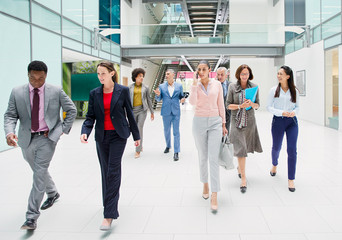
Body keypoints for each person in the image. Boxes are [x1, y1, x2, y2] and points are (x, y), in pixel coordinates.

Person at [4, 60, 77, 230]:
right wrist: (9, 132)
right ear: (28, 75)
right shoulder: (17, 92)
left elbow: (71, 110)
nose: (37, 82)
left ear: (46, 76)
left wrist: (60, 131)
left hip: (47, 138)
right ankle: (52, 193)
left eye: (41, 79)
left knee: (39, 174)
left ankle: (31, 217)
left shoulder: (56, 90)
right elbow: (10, 115)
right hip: (26, 139)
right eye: (33, 78)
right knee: (38, 170)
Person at [80, 62, 140, 230]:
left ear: (112, 73)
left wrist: (136, 136)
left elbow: (129, 113)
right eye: (98, 74)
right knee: (105, 171)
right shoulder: (94, 93)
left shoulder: (122, 91)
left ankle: (109, 214)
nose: (100, 77)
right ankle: (108, 204)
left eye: (103, 73)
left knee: (113, 170)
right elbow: (90, 116)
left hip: (118, 136)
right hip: (101, 137)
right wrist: (85, 131)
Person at [189, 60, 228, 212]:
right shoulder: (196, 85)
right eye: (199, 69)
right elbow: (192, 102)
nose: (201, 72)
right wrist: (193, 84)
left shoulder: (217, 85)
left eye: (204, 69)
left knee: (213, 158)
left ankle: (214, 193)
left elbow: (221, 105)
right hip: (198, 122)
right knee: (202, 156)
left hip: (215, 123)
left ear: (209, 70)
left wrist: (224, 124)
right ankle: (205, 183)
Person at [226, 64, 263, 193]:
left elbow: (258, 105)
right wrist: (240, 106)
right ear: (238, 75)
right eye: (242, 74)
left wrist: (251, 104)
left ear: (249, 75)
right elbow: (228, 105)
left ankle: (239, 169)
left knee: (244, 147)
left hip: (249, 122)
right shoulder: (232, 87)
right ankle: (244, 179)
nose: (244, 76)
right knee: (241, 149)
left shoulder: (254, 87)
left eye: (246, 74)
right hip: (236, 122)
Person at [267, 65, 299, 192]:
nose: (278, 76)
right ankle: (274, 164)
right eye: (278, 73)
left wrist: (294, 113)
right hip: (278, 122)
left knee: (292, 150)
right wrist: (281, 112)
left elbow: (298, 107)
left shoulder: (294, 91)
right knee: (276, 147)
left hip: (292, 122)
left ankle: (291, 179)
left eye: (281, 74)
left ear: (288, 76)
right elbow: (269, 107)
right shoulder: (273, 90)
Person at [153, 69, 185, 161]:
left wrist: (182, 100)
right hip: (166, 111)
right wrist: (158, 95)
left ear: (173, 75)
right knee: (166, 130)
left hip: (176, 111)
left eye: (168, 74)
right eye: (166, 74)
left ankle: (176, 152)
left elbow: (181, 96)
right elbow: (158, 99)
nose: (166, 75)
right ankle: (168, 145)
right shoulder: (161, 86)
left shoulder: (179, 85)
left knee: (176, 132)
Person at [129, 68, 154, 158]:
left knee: (139, 128)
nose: (142, 78)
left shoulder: (145, 87)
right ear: (135, 77)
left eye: (142, 76)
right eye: (140, 76)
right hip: (132, 111)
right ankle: (140, 144)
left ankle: (138, 150)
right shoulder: (130, 87)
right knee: (134, 129)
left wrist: (152, 111)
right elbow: (127, 101)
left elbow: (149, 99)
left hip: (142, 110)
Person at [216, 66, 231, 132]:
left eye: (222, 75)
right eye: (218, 74)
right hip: (217, 113)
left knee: (226, 131)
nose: (220, 77)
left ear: (226, 74)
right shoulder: (213, 84)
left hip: (228, 113)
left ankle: (225, 141)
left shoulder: (231, 85)